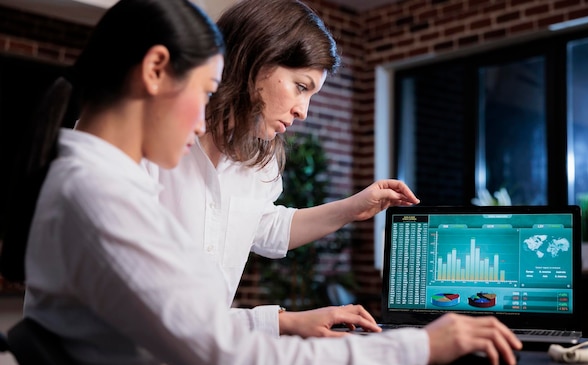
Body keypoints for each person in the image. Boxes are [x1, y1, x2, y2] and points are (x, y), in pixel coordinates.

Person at [0, 0, 522, 365]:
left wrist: (282, 320)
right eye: (204, 92)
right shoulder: (105, 195)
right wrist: (423, 346)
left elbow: (185, 321)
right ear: (158, 70)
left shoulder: (85, 179)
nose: (202, 123)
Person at [145, 0, 417, 339]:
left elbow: (264, 227)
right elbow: (143, 305)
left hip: (203, 351)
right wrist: (281, 322)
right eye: (300, 86)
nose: (303, 111)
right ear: (255, 60)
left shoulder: (259, 158)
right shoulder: (147, 140)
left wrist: (353, 207)